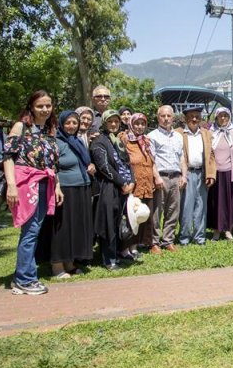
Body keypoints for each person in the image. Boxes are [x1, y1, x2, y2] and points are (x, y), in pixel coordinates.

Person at [3, 90, 63, 295]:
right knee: (30, 232)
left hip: (46, 182)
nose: (45, 110)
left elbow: (52, 162)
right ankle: (25, 279)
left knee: (34, 230)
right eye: (40, 106)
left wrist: (57, 185)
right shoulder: (21, 127)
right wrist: (11, 185)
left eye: (48, 105)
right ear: (31, 107)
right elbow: (8, 156)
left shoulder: (49, 129)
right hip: (27, 183)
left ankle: (23, 276)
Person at [50, 110, 94, 278]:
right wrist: (57, 187)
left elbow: (83, 161)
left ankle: (70, 262)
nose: (71, 126)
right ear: (61, 124)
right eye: (68, 123)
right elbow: (52, 167)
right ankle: (57, 265)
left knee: (75, 227)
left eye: (74, 123)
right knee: (63, 228)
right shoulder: (56, 142)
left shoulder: (77, 141)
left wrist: (90, 167)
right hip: (65, 189)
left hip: (82, 187)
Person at [90, 110, 135, 270]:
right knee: (108, 223)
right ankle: (108, 259)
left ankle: (117, 253)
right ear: (104, 123)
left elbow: (128, 164)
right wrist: (122, 182)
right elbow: (104, 167)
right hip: (109, 187)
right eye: (110, 122)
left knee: (119, 222)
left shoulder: (119, 141)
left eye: (116, 121)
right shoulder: (99, 142)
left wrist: (132, 182)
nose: (114, 124)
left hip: (124, 188)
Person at [120, 112, 162, 253]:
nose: (139, 126)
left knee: (144, 215)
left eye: (142, 124)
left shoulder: (146, 141)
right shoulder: (125, 140)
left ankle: (140, 244)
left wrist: (155, 177)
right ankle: (128, 247)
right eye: (137, 123)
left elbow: (152, 161)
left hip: (147, 183)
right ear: (131, 124)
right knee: (132, 216)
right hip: (133, 184)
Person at [147, 105, 186, 253]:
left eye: (169, 116)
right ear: (158, 118)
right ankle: (154, 242)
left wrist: (184, 175)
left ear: (173, 118)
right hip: (161, 177)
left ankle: (168, 240)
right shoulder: (152, 136)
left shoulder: (178, 137)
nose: (166, 118)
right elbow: (151, 159)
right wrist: (156, 177)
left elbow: (182, 158)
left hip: (175, 177)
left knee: (173, 210)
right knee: (157, 211)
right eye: (163, 116)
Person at [176, 107, 216, 245]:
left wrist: (211, 174)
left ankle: (200, 237)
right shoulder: (179, 133)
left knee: (201, 205)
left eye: (197, 117)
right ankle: (184, 238)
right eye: (191, 116)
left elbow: (211, 155)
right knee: (186, 206)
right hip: (188, 173)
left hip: (202, 173)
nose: (194, 119)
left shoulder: (206, 133)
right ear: (185, 118)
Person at [209, 107, 233, 240]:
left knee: (230, 202)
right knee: (216, 202)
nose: (223, 118)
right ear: (216, 118)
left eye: (225, 116)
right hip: (215, 173)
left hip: (230, 172)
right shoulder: (210, 132)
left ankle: (228, 229)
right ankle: (216, 229)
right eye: (220, 116)